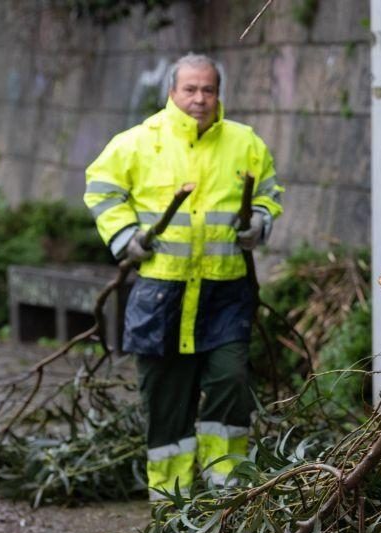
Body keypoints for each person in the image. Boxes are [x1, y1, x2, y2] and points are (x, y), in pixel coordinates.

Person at [84, 53, 283, 500]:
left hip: (224, 293)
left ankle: (228, 495)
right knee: (165, 402)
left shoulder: (245, 143)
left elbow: (269, 193)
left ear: (219, 93)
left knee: (230, 383)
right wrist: (125, 237)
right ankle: (172, 507)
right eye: (190, 89)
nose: (199, 98)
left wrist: (259, 223)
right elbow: (100, 186)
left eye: (208, 90)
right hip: (161, 294)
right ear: (172, 92)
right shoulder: (139, 141)